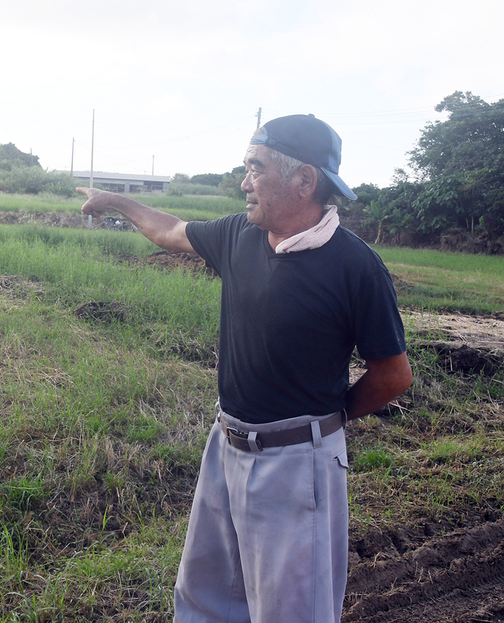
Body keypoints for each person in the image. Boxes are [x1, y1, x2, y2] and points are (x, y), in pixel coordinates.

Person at [77, 114, 413, 623]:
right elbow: (169, 230)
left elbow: (393, 375)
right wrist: (116, 202)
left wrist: (321, 425)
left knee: (290, 612)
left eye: (254, 168)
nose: (243, 182)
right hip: (225, 448)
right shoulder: (240, 235)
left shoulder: (355, 267)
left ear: (304, 181)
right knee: (204, 602)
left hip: (298, 466)